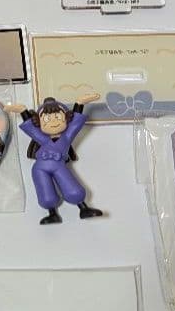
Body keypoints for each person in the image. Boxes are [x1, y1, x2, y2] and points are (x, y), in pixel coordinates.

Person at [6, 94, 103, 224]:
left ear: (66, 119)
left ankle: (83, 208)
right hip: (39, 168)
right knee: (46, 193)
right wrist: (23, 110)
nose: (53, 122)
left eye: (57, 117)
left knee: (72, 188)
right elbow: (31, 129)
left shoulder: (67, 136)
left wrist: (80, 103)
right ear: (39, 122)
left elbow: (75, 124)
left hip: (59, 166)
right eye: (46, 119)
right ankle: (52, 214)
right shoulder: (41, 137)